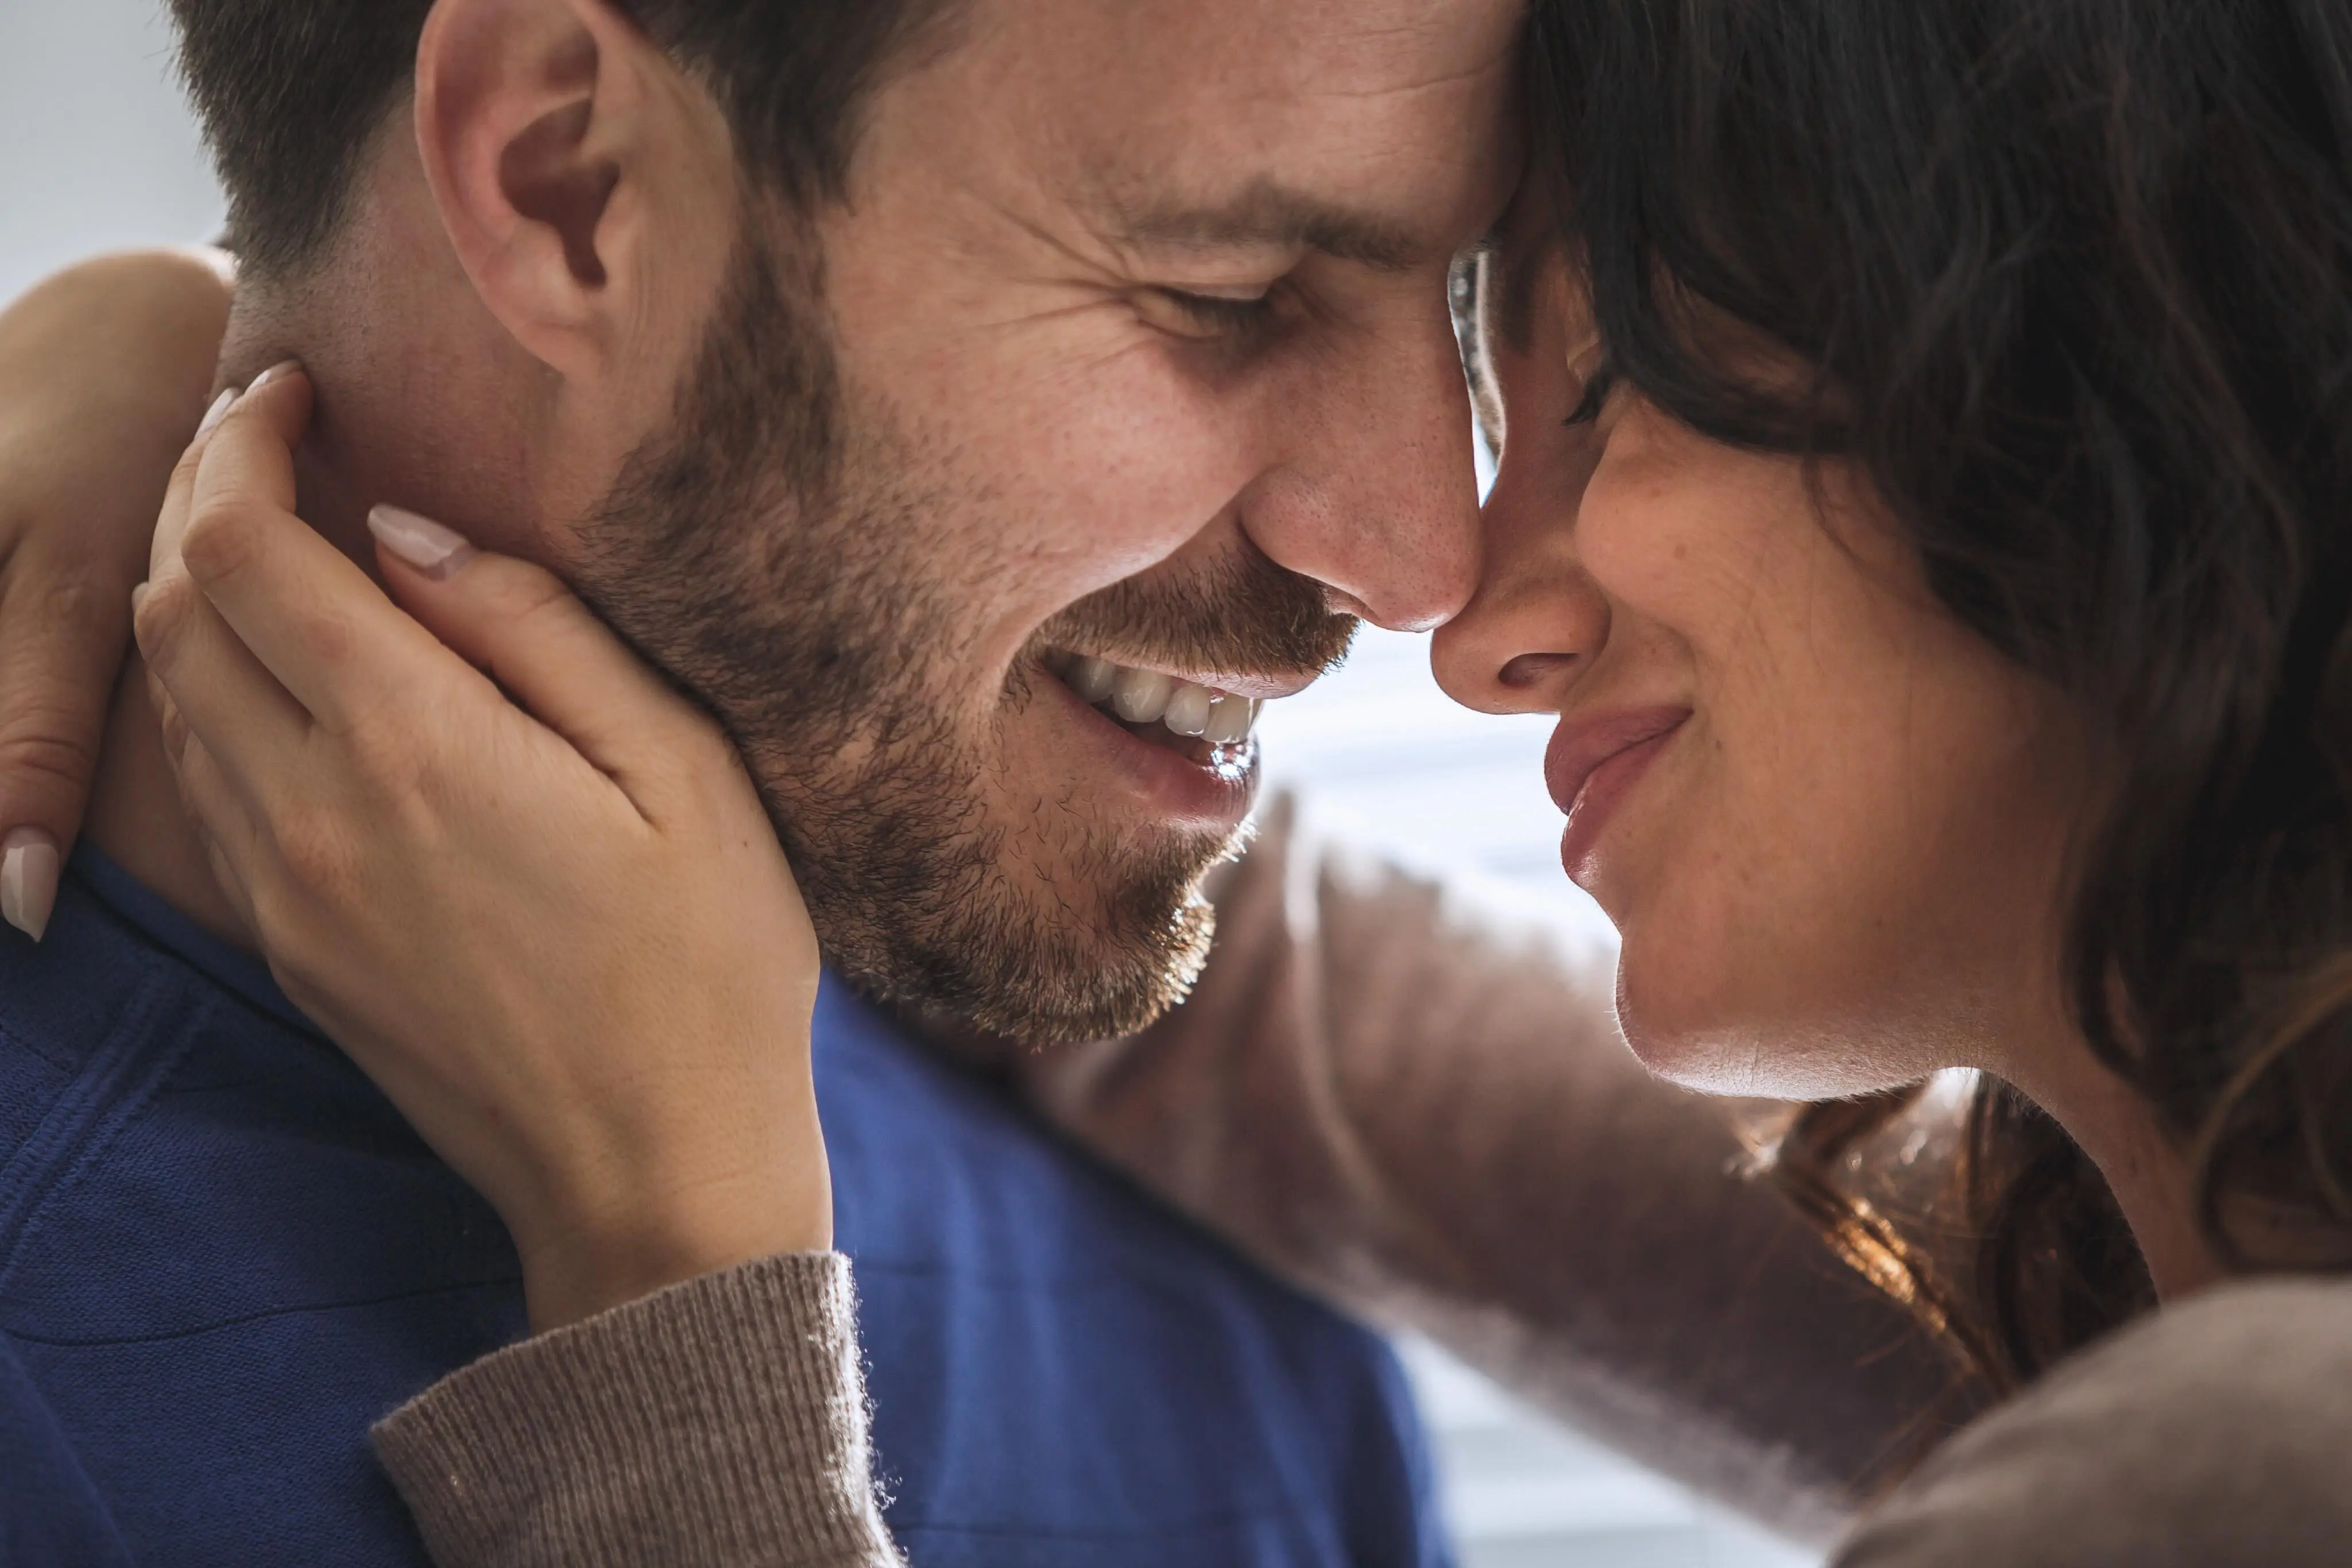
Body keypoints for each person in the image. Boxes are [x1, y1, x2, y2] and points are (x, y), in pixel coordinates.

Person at [20, 0, 2352, 1565]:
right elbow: (1301, 1023)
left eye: (1612, 369)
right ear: (561, 190)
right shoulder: (2070, 1269)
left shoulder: (2242, 1453)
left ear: (2127, 390)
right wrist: (242, 400)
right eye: (1231, 295)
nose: (1435, 577)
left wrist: (673, 1305)